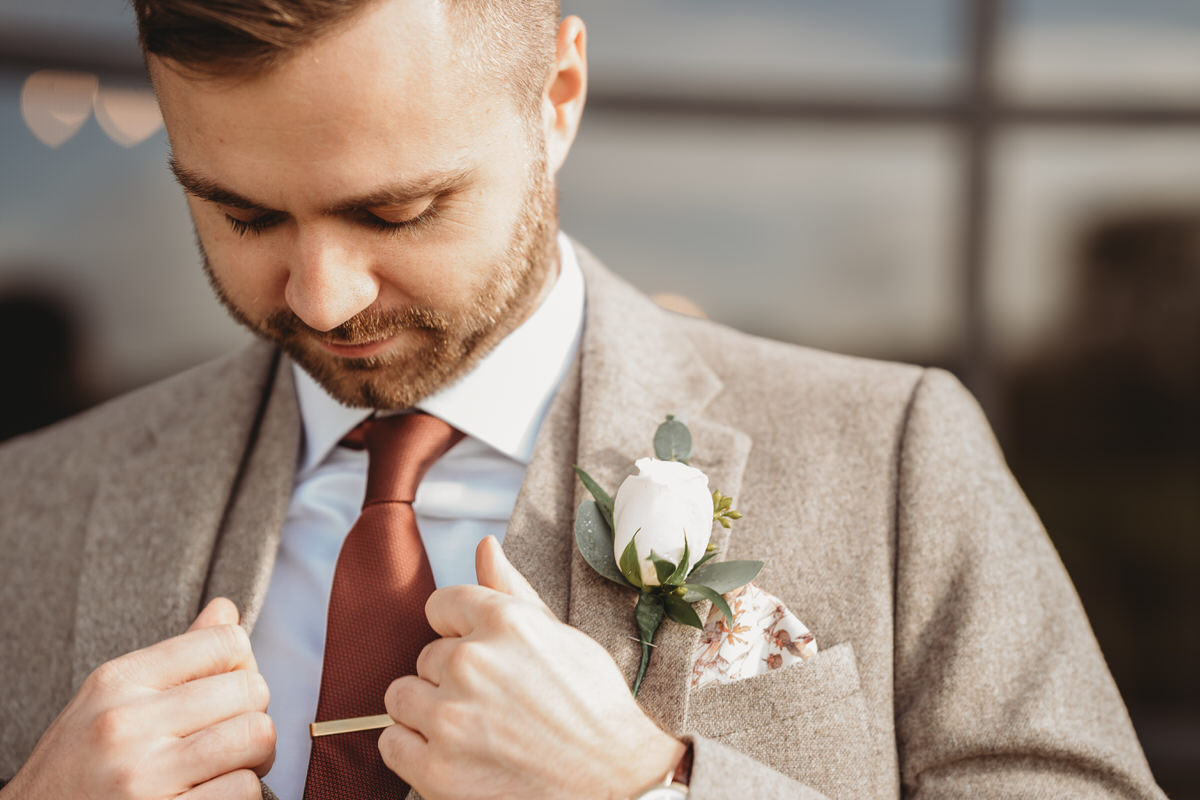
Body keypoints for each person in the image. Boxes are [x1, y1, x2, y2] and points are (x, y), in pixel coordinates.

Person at [0, 1, 1167, 799]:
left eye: (394, 212)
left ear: (556, 96)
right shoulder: (32, 505)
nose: (321, 294)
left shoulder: (899, 452)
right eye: (243, 214)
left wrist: (647, 785)